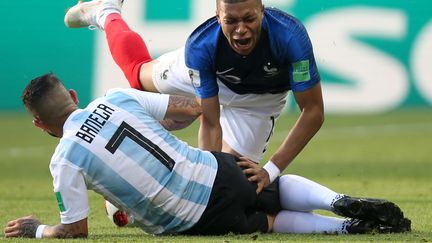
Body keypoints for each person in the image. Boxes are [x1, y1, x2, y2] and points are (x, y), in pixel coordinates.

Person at [4, 73, 410, 238]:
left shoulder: (65, 160)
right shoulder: (116, 98)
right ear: (73, 97)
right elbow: (188, 109)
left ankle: (343, 230)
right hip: (216, 167)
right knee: (271, 185)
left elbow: (76, 231)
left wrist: (39, 230)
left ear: (42, 126)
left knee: (266, 220)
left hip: (193, 215)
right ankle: (336, 200)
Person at [64, 0, 324, 191]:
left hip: (259, 102)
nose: (241, 29)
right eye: (231, 21)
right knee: (138, 76)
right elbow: (212, 122)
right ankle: (106, 11)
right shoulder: (201, 45)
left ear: (262, 11)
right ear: (217, 15)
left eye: (249, 19)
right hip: (210, 79)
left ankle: (186, 112)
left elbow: (313, 111)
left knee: (239, 185)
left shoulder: (290, 37)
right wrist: (204, 186)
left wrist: (271, 170)